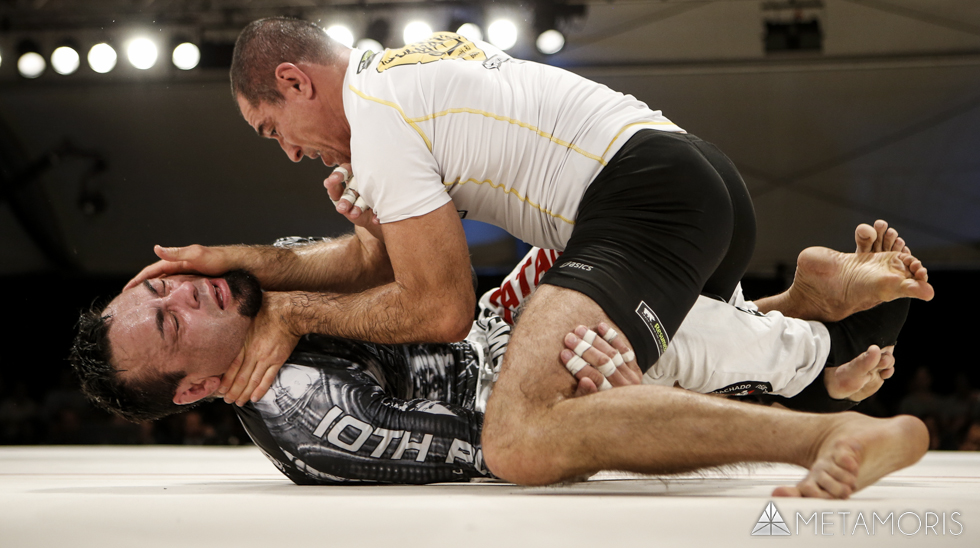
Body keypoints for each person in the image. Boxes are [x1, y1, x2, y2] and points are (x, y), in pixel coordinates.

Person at [136, 18, 934, 496]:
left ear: (293, 81)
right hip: (683, 175)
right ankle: (806, 310)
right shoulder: (397, 75)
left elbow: (438, 307)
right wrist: (236, 259)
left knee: (518, 436)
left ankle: (825, 433)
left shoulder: (374, 122)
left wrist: (295, 308)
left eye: (274, 130)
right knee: (626, 360)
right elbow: (370, 267)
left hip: (641, 200)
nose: (288, 154)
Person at [88, 223, 914, 486]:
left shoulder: (261, 286)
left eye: (159, 288)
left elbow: (400, 268)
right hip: (510, 387)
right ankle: (814, 349)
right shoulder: (303, 408)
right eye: (165, 325)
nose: (181, 296)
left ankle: (805, 333)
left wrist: (365, 208)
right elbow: (493, 448)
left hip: (492, 322)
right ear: (198, 386)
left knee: (577, 251)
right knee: (594, 341)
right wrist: (597, 410)